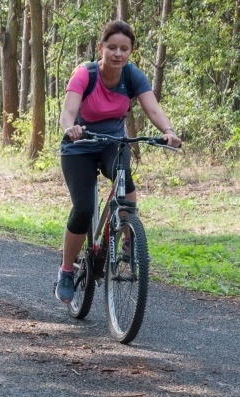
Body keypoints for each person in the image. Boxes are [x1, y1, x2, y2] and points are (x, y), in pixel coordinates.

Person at [54, 20, 182, 304]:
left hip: (113, 143)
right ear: (101, 48)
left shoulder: (133, 76)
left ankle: (128, 238)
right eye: (111, 47)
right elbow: (68, 112)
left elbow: (152, 108)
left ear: (131, 52)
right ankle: (66, 269)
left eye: (124, 49)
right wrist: (70, 128)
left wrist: (169, 132)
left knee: (126, 186)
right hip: (80, 145)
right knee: (84, 208)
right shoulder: (84, 74)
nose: (117, 53)